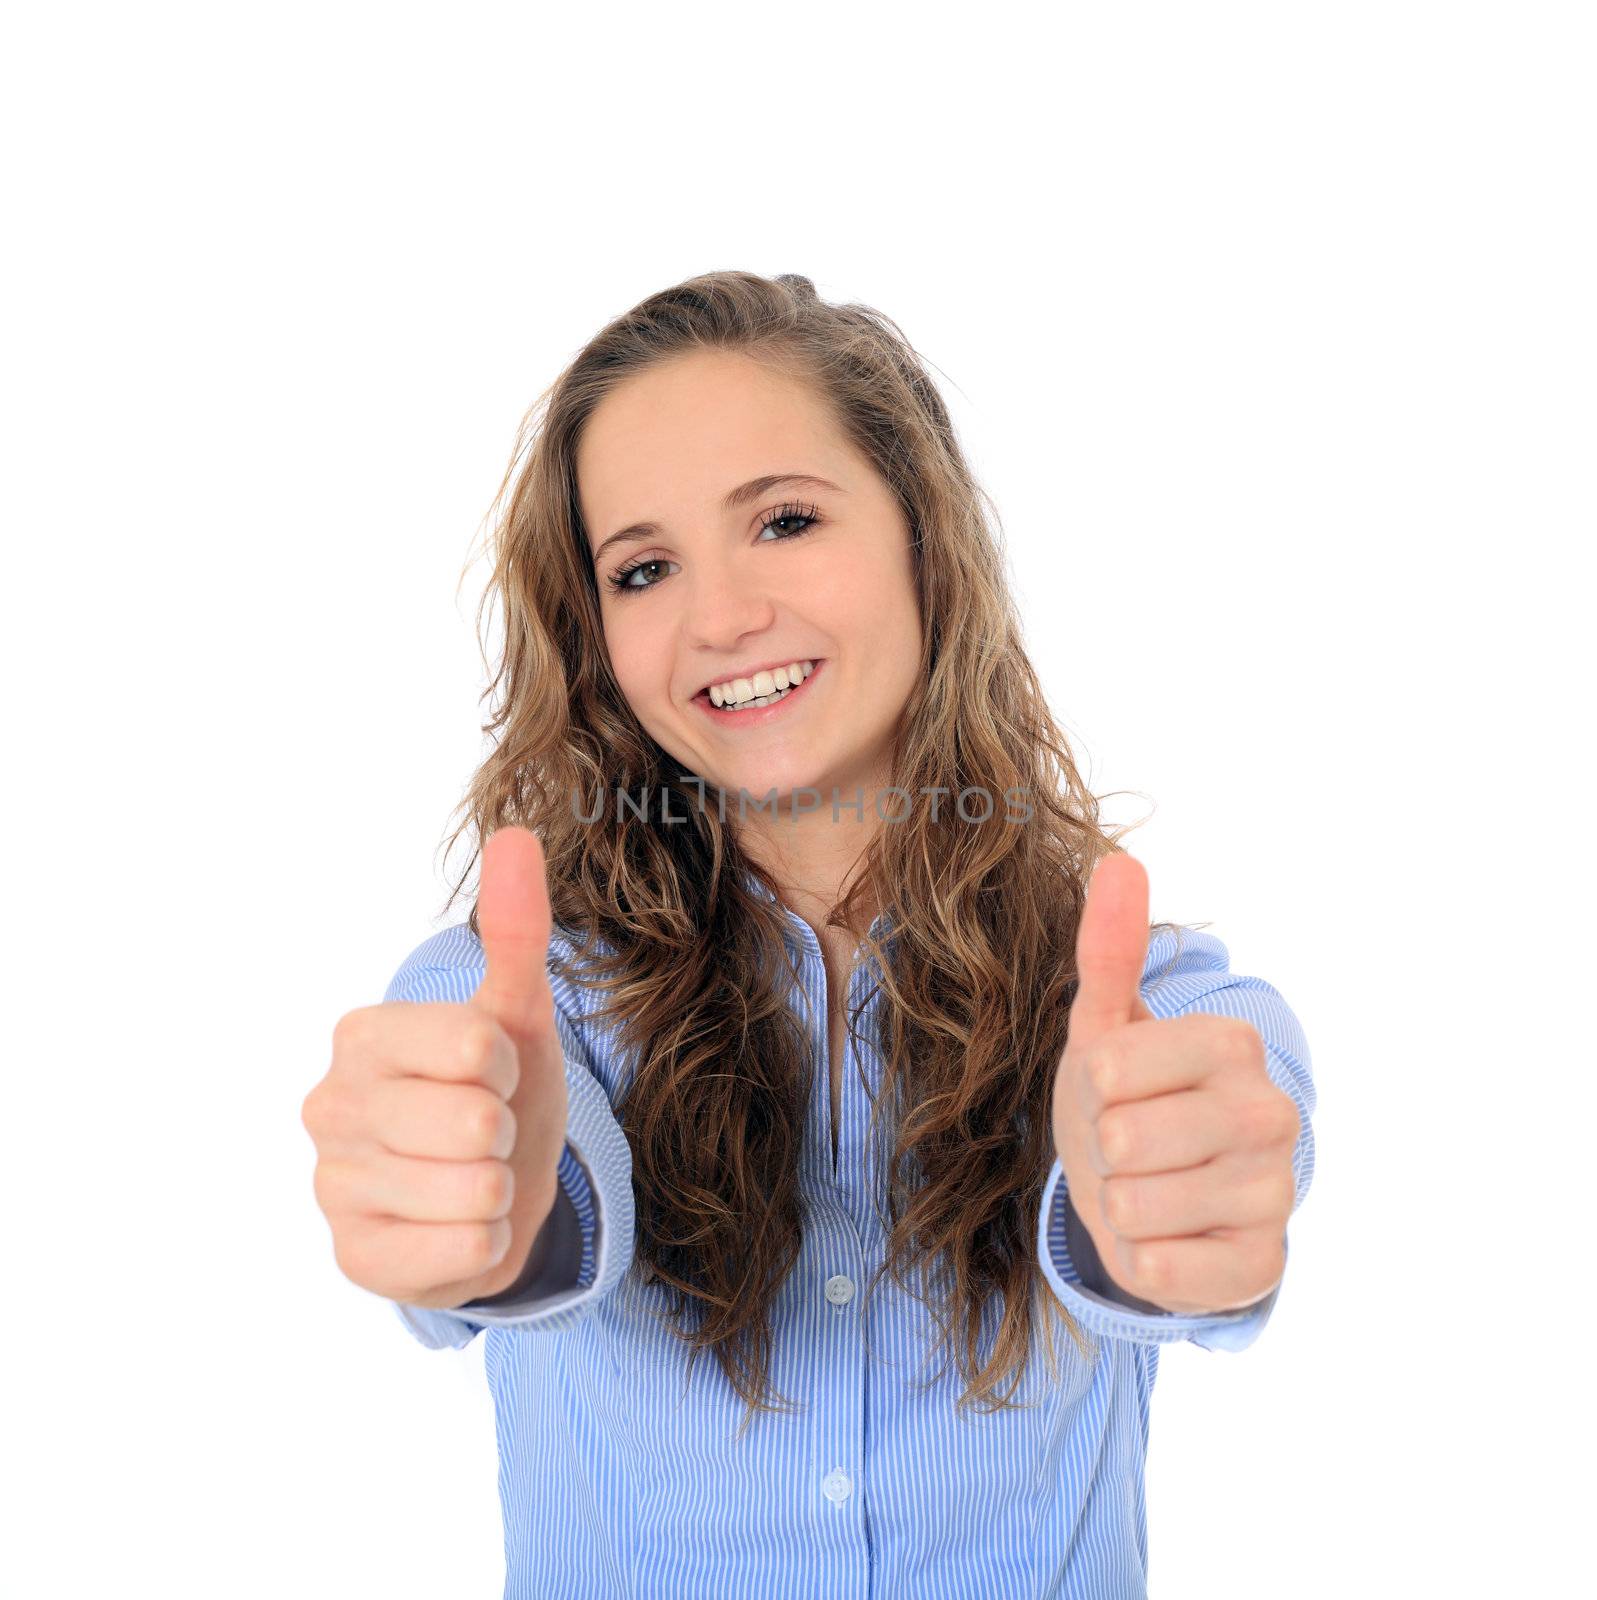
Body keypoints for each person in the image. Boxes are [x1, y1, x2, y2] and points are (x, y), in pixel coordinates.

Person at [302, 270, 1316, 1598]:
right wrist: (493, 1208)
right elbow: (523, 1178)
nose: (719, 616)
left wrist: (1162, 1219)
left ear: (922, 539)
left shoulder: (1144, 1000)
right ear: (596, 633)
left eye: (782, 520)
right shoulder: (514, 1000)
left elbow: (1211, 1132)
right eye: (644, 568)